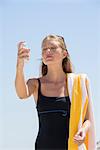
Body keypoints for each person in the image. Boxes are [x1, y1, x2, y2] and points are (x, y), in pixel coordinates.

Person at [15, 35, 96, 150]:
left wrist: (83, 130)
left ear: (64, 54)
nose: (48, 51)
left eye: (53, 48)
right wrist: (20, 65)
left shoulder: (79, 82)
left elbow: (87, 119)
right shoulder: (35, 84)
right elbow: (21, 94)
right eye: (44, 49)